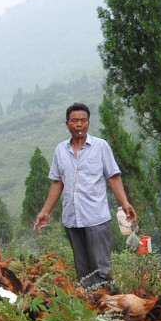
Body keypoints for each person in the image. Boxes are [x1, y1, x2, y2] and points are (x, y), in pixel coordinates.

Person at [34, 103, 136, 289]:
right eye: (74, 121)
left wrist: (125, 203)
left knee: (101, 269)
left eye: (83, 120)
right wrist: (45, 211)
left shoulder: (101, 146)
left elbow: (113, 176)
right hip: (72, 220)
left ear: (88, 123)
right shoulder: (60, 150)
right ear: (67, 124)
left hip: (96, 218)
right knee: (83, 272)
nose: (79, 124)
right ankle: (90, 301)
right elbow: (57, 182)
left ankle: (106, 301)